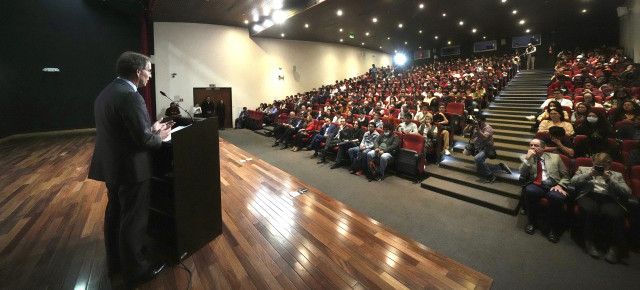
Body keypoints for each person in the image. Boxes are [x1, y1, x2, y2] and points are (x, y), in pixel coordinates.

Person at [88, 51, 171, 286]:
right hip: (131, 170)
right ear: (138, 72)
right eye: (149, 71)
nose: (150, 76)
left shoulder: (107, 92)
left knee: (115, 214)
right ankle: (136, 271)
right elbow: (143, 142)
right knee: (133, 220)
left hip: (112, 167)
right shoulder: (131, 96)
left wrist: (150, 128)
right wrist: (160, 136)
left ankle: (116, 262)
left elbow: (125, 131)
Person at [571, 153, 632, 263]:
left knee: (616, 215)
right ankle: (589, 241)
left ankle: (615, 247)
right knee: (589, 210)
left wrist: (609, 180)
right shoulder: (584, 169)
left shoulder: (616, 175)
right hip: (589, 196)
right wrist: (589, 174)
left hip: (608, 199)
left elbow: (627, 192)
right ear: (593, 163)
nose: (599, 168)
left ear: (609, 166)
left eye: (602, 166)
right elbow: (573, 182)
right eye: (596, 165)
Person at [519, 138, 570, 243]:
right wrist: (527, 159)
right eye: (531, 145)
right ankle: (532, 222)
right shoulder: (527, 158)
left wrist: (560, 185)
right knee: (529, 190)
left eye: (536, 145)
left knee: (556, 197)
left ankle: (554, 229)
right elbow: (523, 174)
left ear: (543, 148)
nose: (533, 147)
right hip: (537, 184)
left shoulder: (555, 157)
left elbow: (566, 176)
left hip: (554, 185)